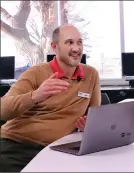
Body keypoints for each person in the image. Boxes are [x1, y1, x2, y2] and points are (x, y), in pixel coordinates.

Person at [0, 24, 101, 172]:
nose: (76, 48)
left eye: (79, 42)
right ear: (54, 47)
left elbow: (95, 115)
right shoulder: (36, 73)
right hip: (18, 146)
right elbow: (3, 109)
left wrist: (89, 124)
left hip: (59, 149)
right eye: (69, 42)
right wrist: (36, 95)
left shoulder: (91, 74)